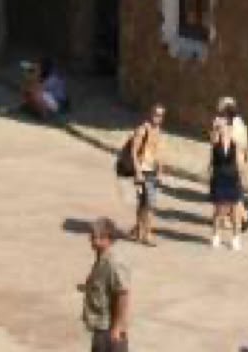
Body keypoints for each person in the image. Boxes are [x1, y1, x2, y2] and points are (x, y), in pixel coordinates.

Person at [79, 215, 130, 350]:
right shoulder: (101, 258)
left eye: (99, 237)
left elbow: (123, 295)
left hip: (109, 330)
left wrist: (117, 328)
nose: (93, 240)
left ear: (109, 239)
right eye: (93, 236)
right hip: (101, 326)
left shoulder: (113, 263)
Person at [129, 104, 164, 246]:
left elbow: (158, 153)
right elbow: (133, 151)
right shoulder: (142, 130)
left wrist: (160, 171)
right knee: (150, 204)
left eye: (161, 115)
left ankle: (139, 229)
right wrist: (138, 172)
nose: (158, 117)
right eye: (156, 114)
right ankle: (147, 234)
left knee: (144, 203)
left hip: (152, 171)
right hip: (143, 171)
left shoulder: (158, 131)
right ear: (150, 113)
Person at [208, 108, 243, 250]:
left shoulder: (235, 141)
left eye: (225, 122)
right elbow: (212, 141)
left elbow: (239, 161)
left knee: (235, 209)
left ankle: (235, 238)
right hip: (219, 177)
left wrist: (241, 177)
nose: (223, 125)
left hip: (232, 177)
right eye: (221, 122)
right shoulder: (215, 139)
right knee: (219, 209)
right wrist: (216, 128)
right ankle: (216, 235)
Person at [218, 96, 248, 234]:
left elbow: (228, 143)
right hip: (238, 160)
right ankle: (242, 218)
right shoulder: (240, 122)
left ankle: (236, 219)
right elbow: (246, 143)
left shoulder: (228, 123)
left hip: (231, 161)